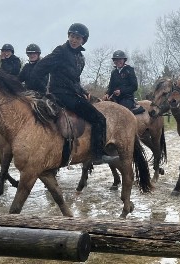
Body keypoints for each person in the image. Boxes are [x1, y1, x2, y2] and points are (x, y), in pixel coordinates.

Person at [30, 23, 118, 165]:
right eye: (72, 36)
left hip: (72, 93)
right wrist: (43, 90)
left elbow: (74, 81)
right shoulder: (61, 51)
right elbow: (39, 69)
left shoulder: (80, 58)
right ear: (68, 36)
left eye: (78, 38)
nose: (74, 40)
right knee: (99, 119)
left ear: (83, 40)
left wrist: (83, 92)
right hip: (62, 95)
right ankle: (97, 154)